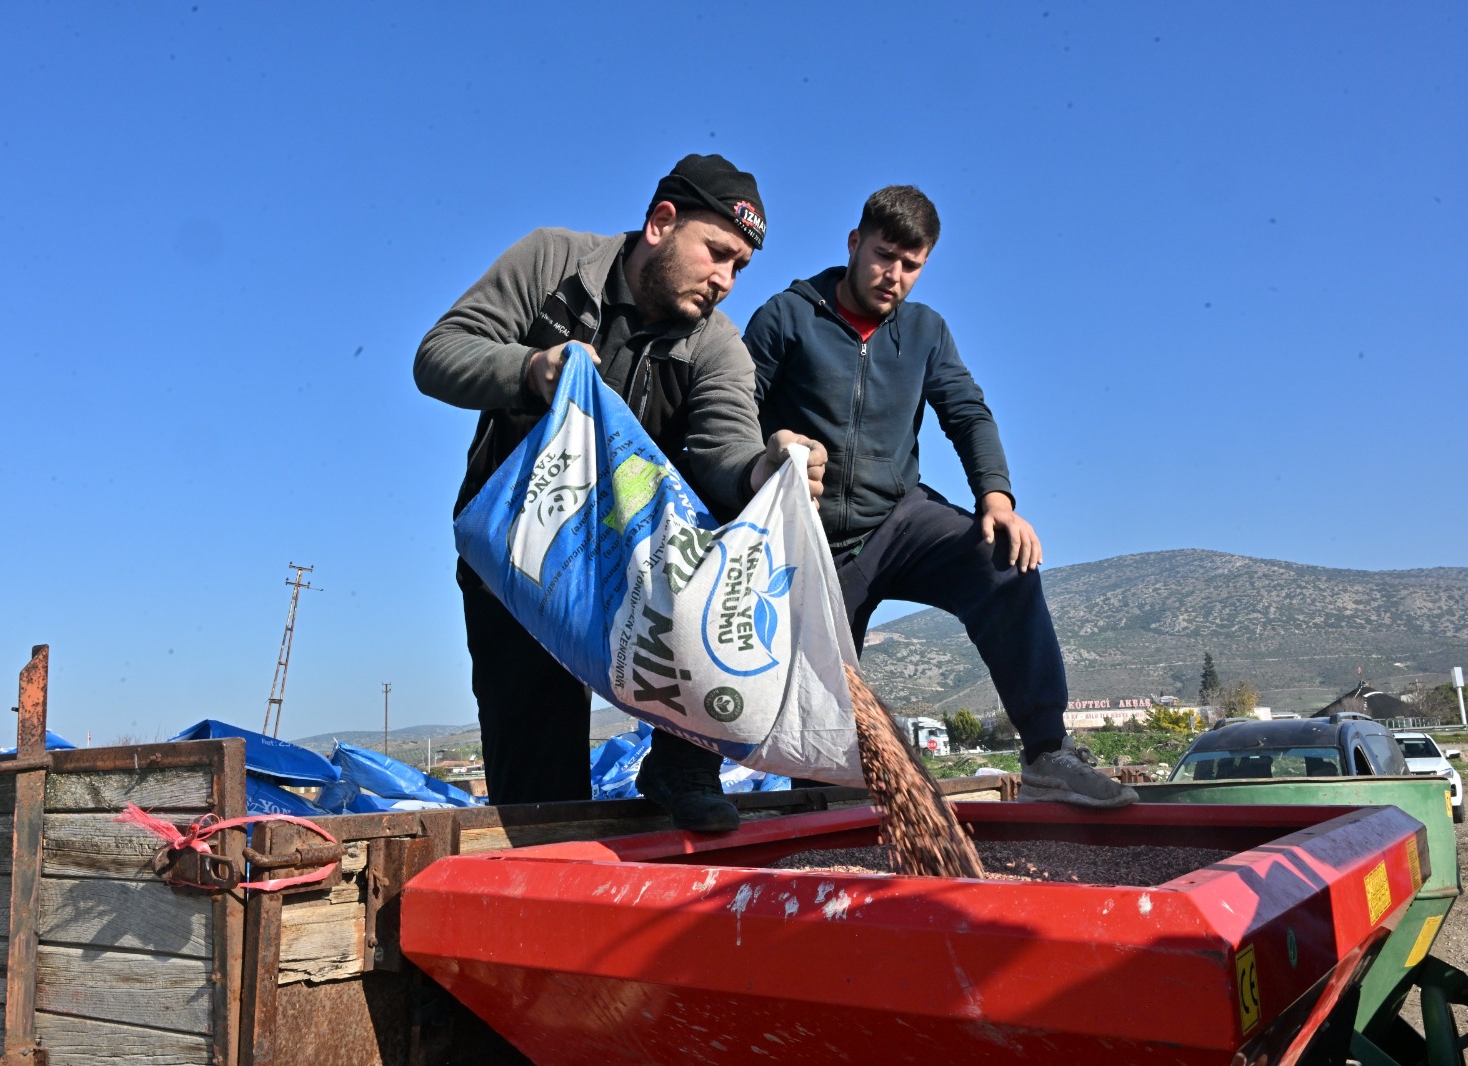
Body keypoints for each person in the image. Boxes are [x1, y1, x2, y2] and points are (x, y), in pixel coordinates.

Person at [415, 154, 826, 831]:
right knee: (538, 779)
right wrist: (531, 369)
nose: (725, 281)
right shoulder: (554, 265)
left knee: (747, 526)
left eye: (739, 268)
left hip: (639, 573)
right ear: (661, 223)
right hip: (521, 558)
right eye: (717, 254)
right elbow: (438, 354)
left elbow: (726, 455)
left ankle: (683, 761)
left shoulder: (715, 345)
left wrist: (770, 468)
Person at [743, 185, 1136, 807]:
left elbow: (967, 413)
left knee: (1002, 559)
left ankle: (1046, 754)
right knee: (818, 701)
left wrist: (997, 498)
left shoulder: (926, 332)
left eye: (911, 264)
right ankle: (822, 816)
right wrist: (769, 448)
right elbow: (734, 410)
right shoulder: (786, 316)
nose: (893, 276)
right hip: (811, 537)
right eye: (883, 256)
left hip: (899, 517)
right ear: (854, 243)